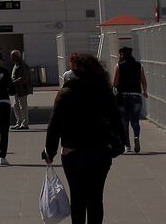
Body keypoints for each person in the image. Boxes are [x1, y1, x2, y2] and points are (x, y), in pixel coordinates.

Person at [43, 53, 126, 224]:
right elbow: (117, 121)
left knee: (78, 198)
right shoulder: (103, 92)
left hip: (73, 153)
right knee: (96, 199)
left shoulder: (66, 93)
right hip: (100, 152)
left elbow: (54, 125)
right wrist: (118, 146)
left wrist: (49, 151)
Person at [112, 46, 147, 153]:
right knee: (135, 120)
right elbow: (143, 81)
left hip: (123, 96)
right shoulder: (138, 66)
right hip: (136, 95)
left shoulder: (118, 66)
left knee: (124, 122)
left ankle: (127, 146)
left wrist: (114, 94)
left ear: (122, 54)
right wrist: (144, 91)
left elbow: (115, 84)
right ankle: (136, 136)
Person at [10, 49, 35, 130]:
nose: (11, 58)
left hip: (22, 89)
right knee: (16, 106)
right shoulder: (16, 65)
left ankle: (25, 124)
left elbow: (24, 78)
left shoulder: (22, 65)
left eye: (13, 56)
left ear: (17, 56)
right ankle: (19, 122)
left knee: (22, 106)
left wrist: (14, 82)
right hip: (17, 89)